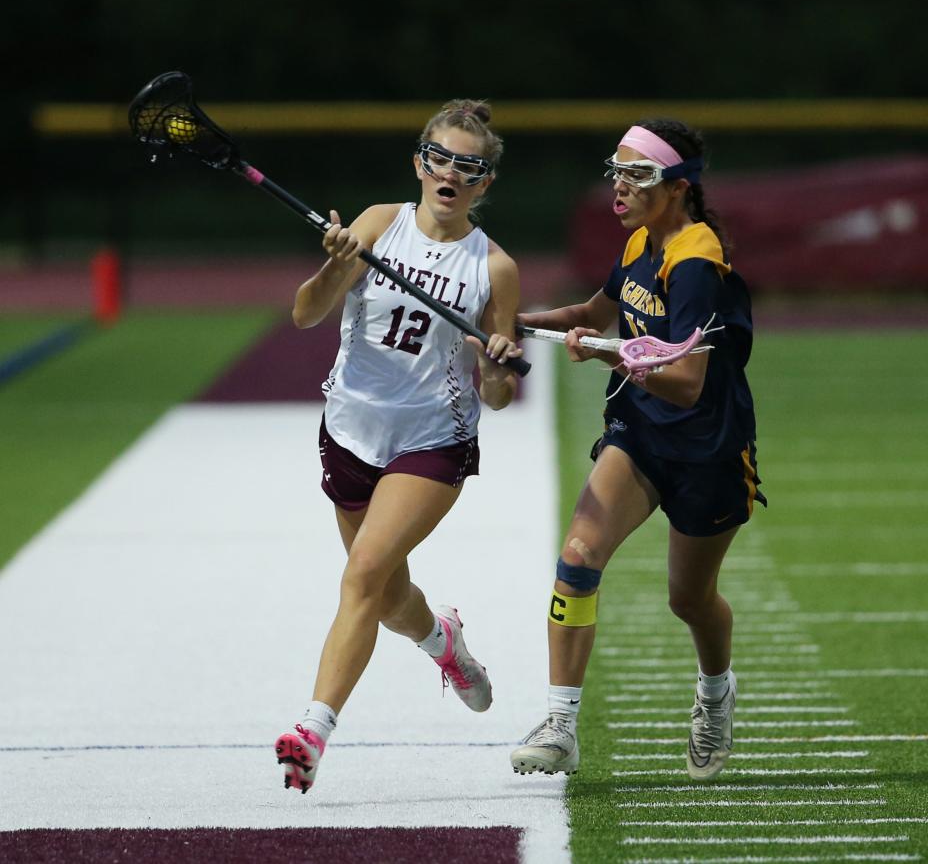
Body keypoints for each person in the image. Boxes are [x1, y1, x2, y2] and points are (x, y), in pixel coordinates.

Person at [275, 100, 524, 794]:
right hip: (351, 431)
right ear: (419, 162)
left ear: (484, 184)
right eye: (439, 157)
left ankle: (311, 733)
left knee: (360, 576)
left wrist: (496, 363)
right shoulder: (378, 225)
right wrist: (334, 266)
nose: (450, 172)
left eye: (468, 166)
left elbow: (499, 394)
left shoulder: (494, 268)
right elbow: (305, 314)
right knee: (386, 596)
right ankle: (445, 643)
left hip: (432, 440)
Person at [510, 118, 765, 781]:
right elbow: (594, 315)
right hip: (643, 431)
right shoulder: (639, 243)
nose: (619, 185)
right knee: (578, 555)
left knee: (689, 599)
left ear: (677, 187)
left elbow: (686, 382)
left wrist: (600, 353)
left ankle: (715, 694)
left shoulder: (696, 260)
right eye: (615, 170)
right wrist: (514, 323)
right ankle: (562, 723)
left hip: (709, 448)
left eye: (637, 174)